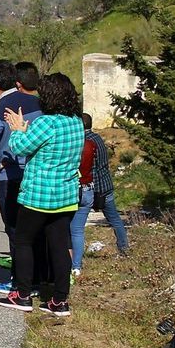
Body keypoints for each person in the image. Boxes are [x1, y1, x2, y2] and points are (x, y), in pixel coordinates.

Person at [0, 72, 83, 317]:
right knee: (58, 246)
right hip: (65, 196)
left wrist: (18, 129)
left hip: (38, 195)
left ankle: (22, 294)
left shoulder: (46, 123)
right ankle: (59, 300)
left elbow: (20, 148)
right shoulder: (76, 122)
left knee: (23, 242)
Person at [0, 60, 43, 295]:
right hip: (36, 176)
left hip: (10, 176)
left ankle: (19, 280)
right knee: (36, 229)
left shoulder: (1, 108)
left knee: (15, 231)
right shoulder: (39, 103)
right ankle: (38, 279)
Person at [71, 112, 131, 269]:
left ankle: (75, 261)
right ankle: (124, 248)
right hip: (106, 185)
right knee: (115, 220)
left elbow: (88, 168)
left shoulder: (86, 143)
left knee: (76, 227)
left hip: (94, 187)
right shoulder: (97, 138)